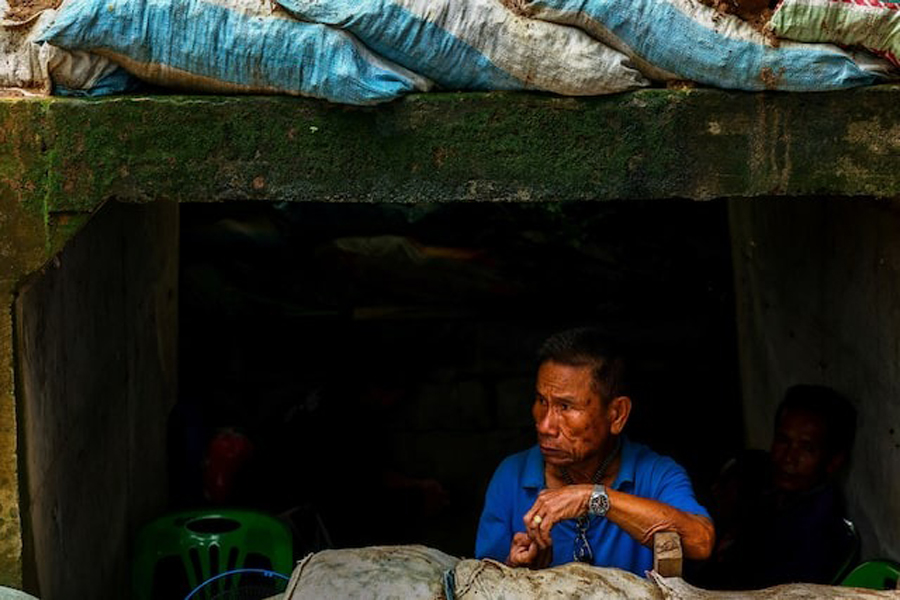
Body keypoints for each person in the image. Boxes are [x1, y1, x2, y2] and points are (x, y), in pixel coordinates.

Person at [475, 328, 714, 573]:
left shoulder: (656, 474)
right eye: (541, 401)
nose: (545, 425)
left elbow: (701, 541)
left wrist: (594, 498)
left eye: (565, 406)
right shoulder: (511, 476)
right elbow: (479, 584)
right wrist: (515, 570)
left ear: (617, 414)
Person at [703, 384, 857, 589]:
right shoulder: (768, 489)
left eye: (807, 448)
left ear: (834, 461)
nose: (789, 458)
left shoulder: (819, 529)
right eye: (783, 440)